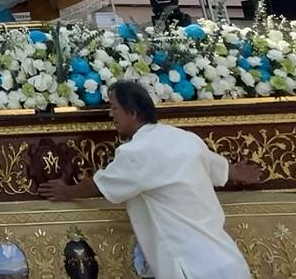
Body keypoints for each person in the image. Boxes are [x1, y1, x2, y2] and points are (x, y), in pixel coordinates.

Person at [38, 81, 261, 279]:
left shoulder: (137, 151)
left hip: (190, 267)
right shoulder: (184, 138)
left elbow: (100, 184)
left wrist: (66, 192)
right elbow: (219, 167)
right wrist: (244, 174)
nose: (110, 115)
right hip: (227, 260)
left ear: (132, 112)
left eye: (114, 108)